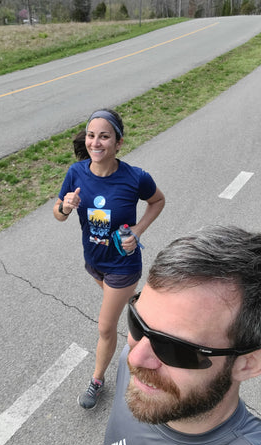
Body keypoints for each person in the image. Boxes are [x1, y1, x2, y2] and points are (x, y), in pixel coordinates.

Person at [100, 225, 261, 445]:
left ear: (248, 364)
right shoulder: (138, 368)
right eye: (137, 323)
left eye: (173, 348)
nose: (136, 358)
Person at [53, 108, 165, 409]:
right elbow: (59, 215)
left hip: (123, 265)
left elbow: (157, 200)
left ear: (118, 142)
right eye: (91, 135)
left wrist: (138, 232)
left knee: (106, 327)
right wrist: (65, 206)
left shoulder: (134, 177)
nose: (96, 142)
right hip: (94, 263)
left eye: (104, 136)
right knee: (127, 310)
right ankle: (147, 320)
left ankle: (97, 380)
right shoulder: (76, 173)